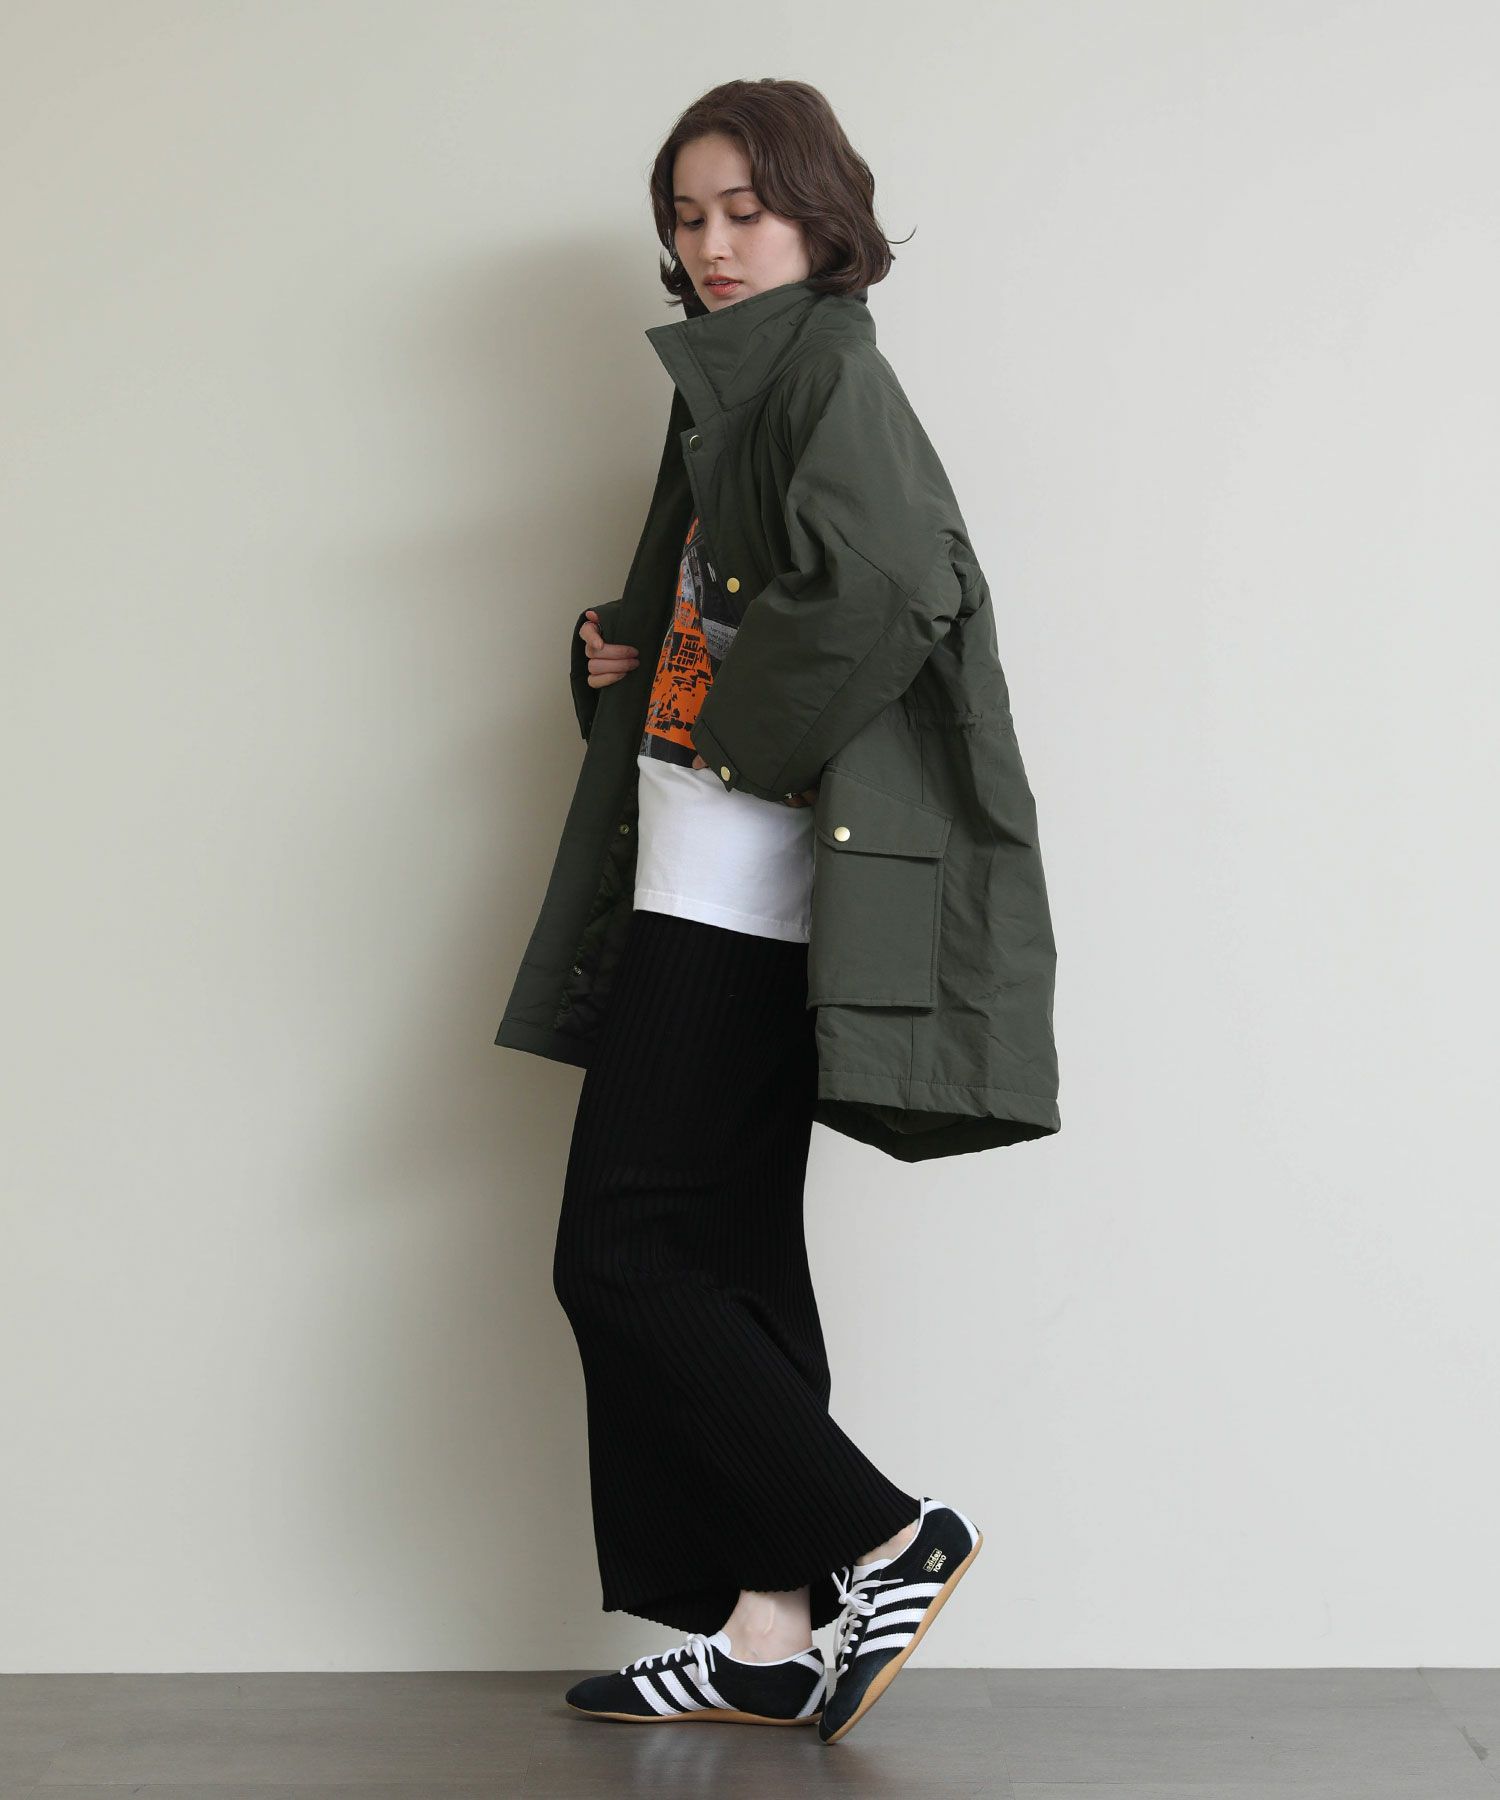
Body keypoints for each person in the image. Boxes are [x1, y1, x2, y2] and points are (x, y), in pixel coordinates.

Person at [500, 77, 1058, 1745]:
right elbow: (744, 609)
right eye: (689, 217)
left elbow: (893, 580)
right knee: (727, 1261)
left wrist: (726, 728)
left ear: (823, 215)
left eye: (746, 209)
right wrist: (633, 654)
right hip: (709, 872)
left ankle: (886, 1537)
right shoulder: (737, 380)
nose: (714, 243)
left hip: (736, 893)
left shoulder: (822, 367)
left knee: (619, 1253)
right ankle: (762, 1635)